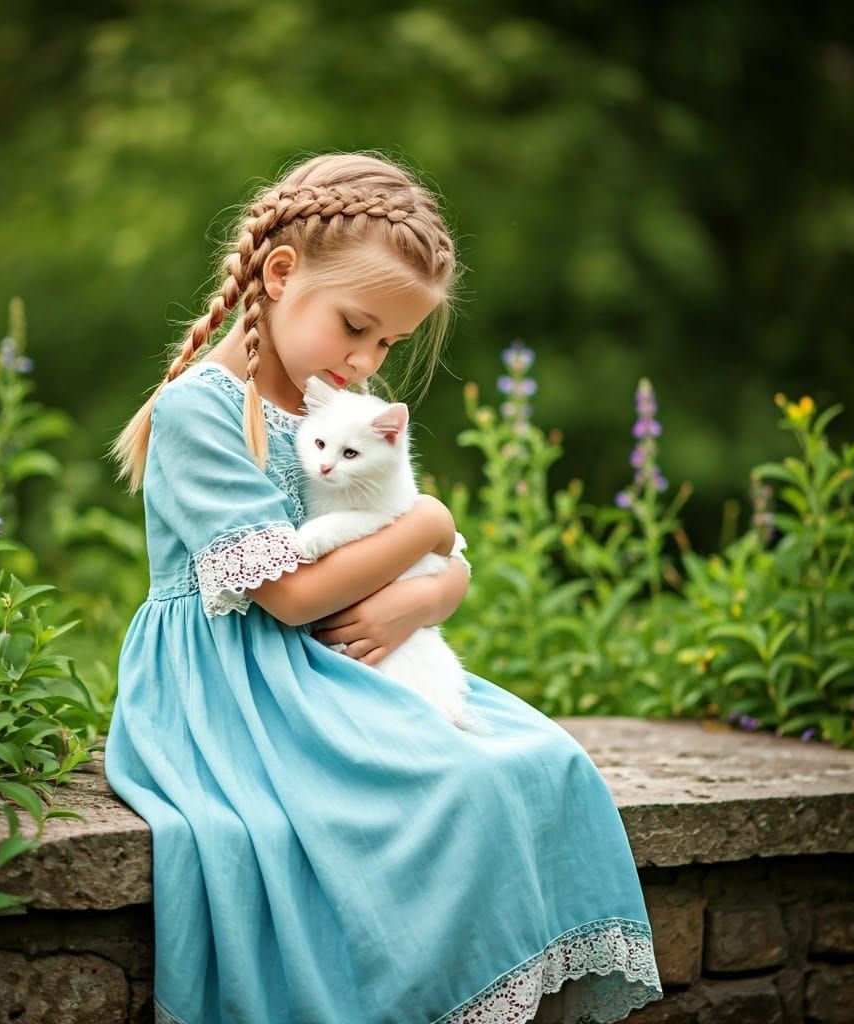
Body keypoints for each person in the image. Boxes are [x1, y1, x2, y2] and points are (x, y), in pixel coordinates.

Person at [104, 151, 664, 1024]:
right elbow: (289, 598)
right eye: (355, 328)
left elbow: (428, 570)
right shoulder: (200, 412)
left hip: (344, 667)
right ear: (280, 275)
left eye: (387, 344)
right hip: (238, 688)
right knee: (455, 790)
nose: (366, 361)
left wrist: (429, 593)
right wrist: (432, 523)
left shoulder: (334, 409)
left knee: (546, 763)